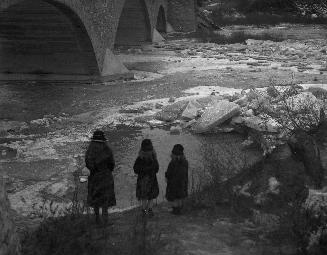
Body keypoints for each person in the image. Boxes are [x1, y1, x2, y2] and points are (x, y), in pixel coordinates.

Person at [85, 130, 116, 224]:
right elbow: (112, 164)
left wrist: (94, 171)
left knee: (96, 199)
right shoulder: (107, 149)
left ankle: (97, 219)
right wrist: (106, 171)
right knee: (105, 200)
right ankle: (105, 221)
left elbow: (88, 164)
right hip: (106, 176)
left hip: (94, 177)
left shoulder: (90, 149)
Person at [133, 139, 159, 217]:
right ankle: (150, 210)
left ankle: (144, 211)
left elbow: (135, 169)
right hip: (152, 180)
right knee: (151, 197)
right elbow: (157, 169)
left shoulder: (140, 158)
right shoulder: (154, 158)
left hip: (142, 181)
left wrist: (143, 170)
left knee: (144, 197)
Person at [165, 144, 188, 215]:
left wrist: (166, 177)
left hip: (173, 183)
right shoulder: (185, 162)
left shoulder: (172, 163)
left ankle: (175, 211)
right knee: (180, 196)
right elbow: (185, 173)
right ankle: (179, 209)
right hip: (182, 182)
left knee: (174, 197)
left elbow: (169, 173)